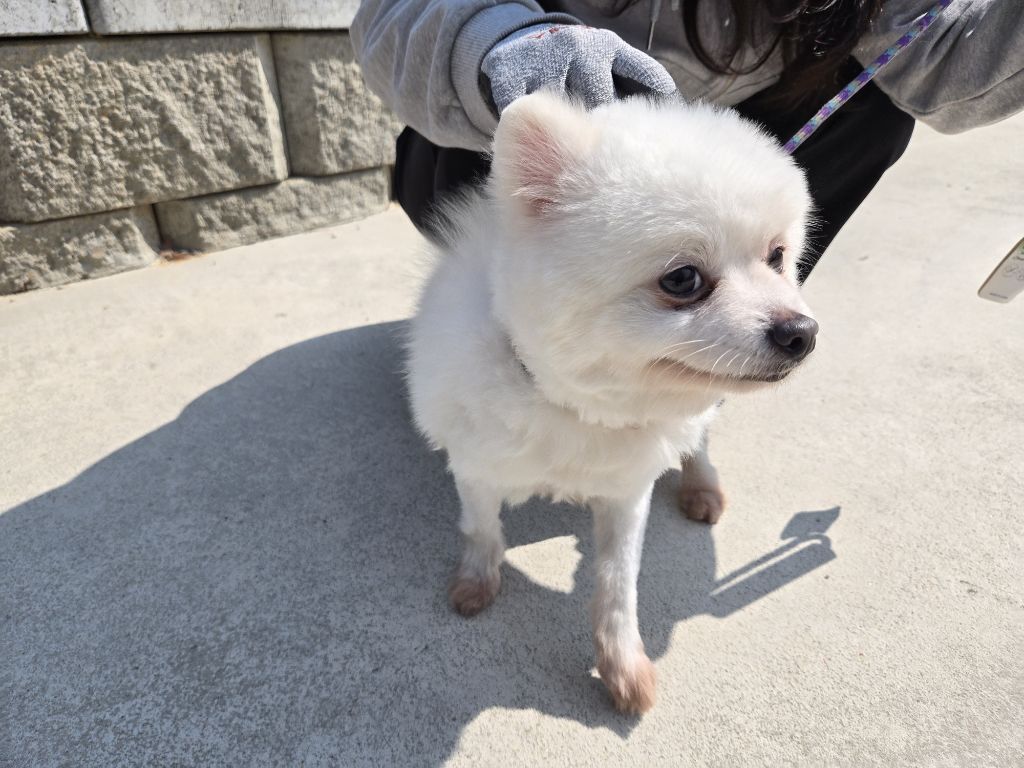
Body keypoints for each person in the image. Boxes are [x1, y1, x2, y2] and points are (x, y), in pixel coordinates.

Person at [352, 0, 1023, 280]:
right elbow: (395, 12)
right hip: (476, 154)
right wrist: (504, 44)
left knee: (875, 105)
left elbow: (940, 55)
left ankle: (690, 345)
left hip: (717, 147)